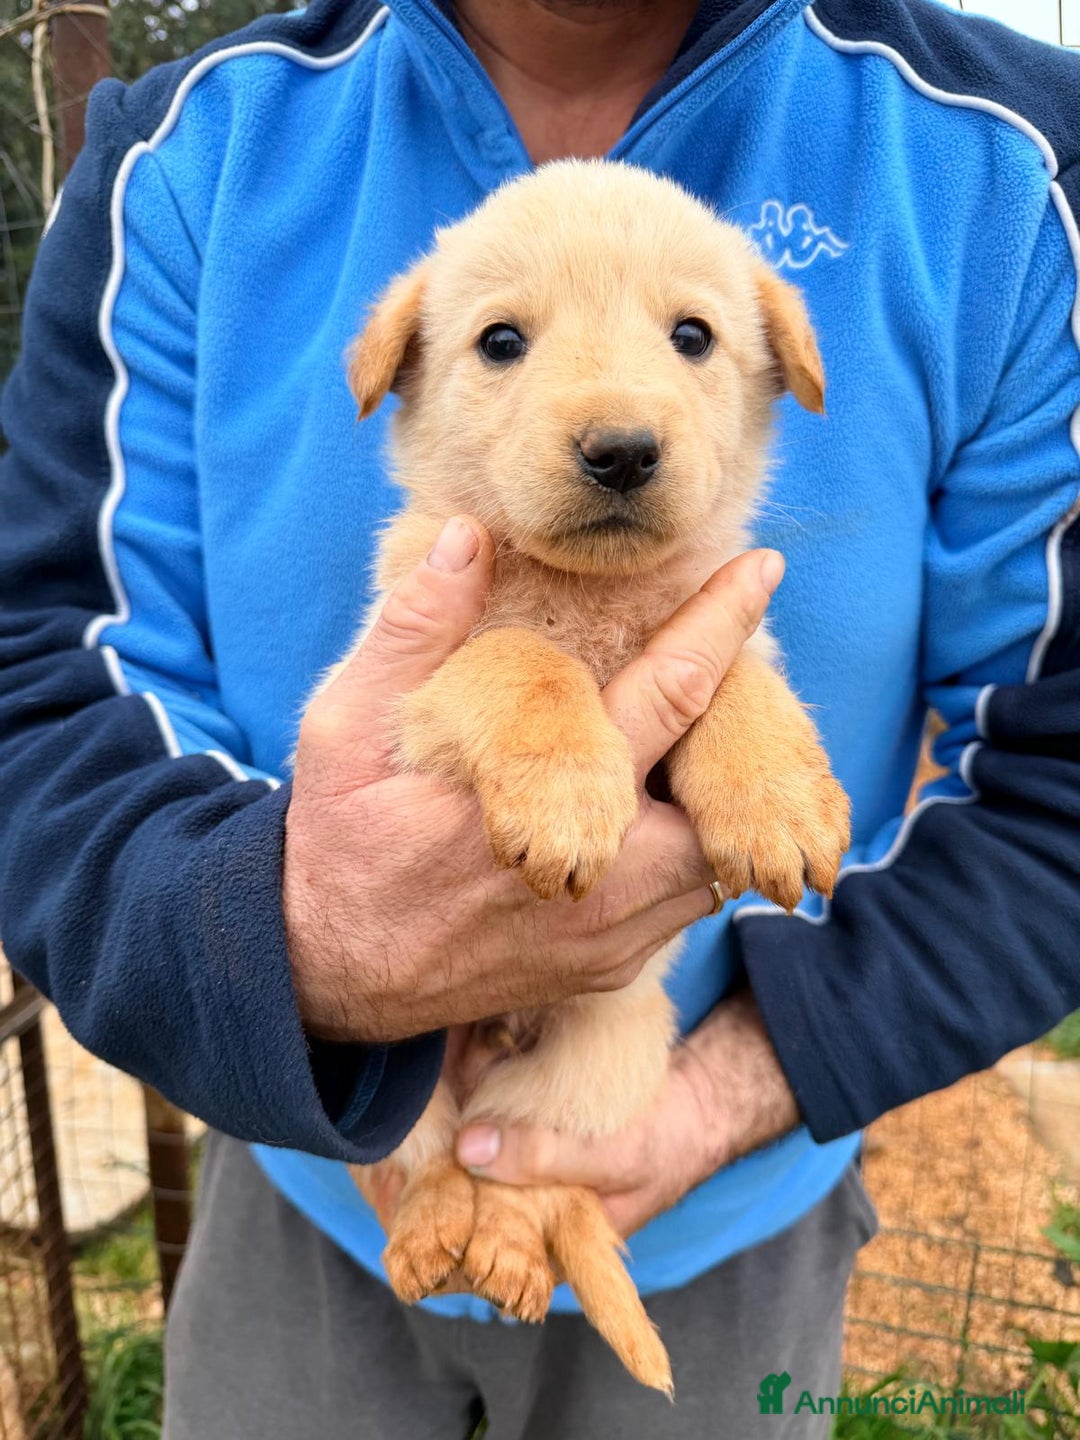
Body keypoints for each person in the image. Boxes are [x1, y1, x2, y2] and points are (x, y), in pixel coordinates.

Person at [1, 0, 1077, 1435]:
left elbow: (1053, 782)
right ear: (402, 372)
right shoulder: (187, 153)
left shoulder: (1013, 167)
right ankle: (445, 1191)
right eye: (503, 341)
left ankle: (533, 1211)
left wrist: (720, 1094)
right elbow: (44, 672)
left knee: (616, 1034)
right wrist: (288, 954)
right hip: (307, 1161)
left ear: (776, 366)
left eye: (693, 337)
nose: (617, 421)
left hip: (719, 1186)